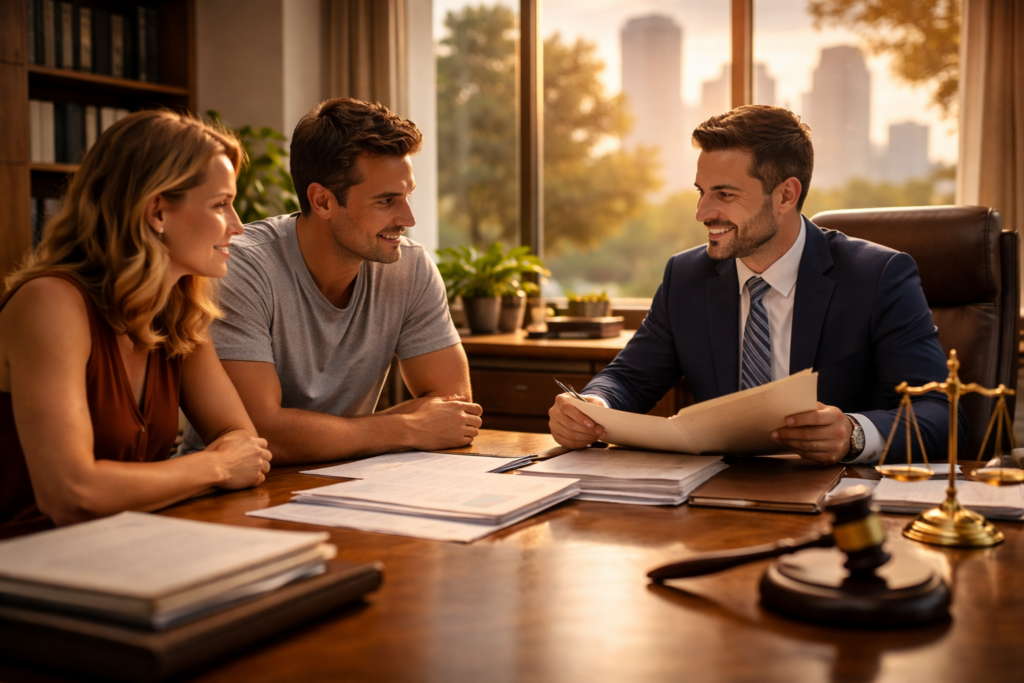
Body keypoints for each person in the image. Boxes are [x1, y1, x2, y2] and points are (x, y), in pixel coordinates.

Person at [548, 105, 964, 464]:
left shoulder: (878, 277)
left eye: (725, 195)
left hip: (835, 499)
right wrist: (592, 407)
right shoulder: (686, 276)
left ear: (786, 196)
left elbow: (941, 415)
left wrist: (854, 433)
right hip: (717, 496)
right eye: (701, 192)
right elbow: (630, 378)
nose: (702, 212)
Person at [0, 110, 273, 538]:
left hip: (131, 546)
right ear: (157, 212)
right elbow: (71, 495)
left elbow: (246, 447)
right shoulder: (51, 303)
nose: (238, 227)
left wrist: (207, 468)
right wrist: (216, 466)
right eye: (220, 204)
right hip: (28, 560)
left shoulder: (178, 311)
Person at [180, 98, 482, 464]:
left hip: (353, 477)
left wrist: (326, 435)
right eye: (386, 201)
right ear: (322, 201)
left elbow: (454, 410)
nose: (408, 219)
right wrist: (408, 427)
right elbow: (258, 433)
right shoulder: (239, 268)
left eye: (407, 196)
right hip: (239, 484)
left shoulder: (409, 267)